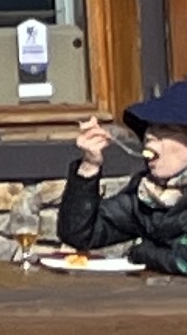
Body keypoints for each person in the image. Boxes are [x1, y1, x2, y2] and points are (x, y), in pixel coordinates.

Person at [62, 82, 187, 271]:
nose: (150, 136)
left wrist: (141, 253)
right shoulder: (147, 195)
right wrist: (89, 166)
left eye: (165, 129)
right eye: (149, 128)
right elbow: (79, 235)